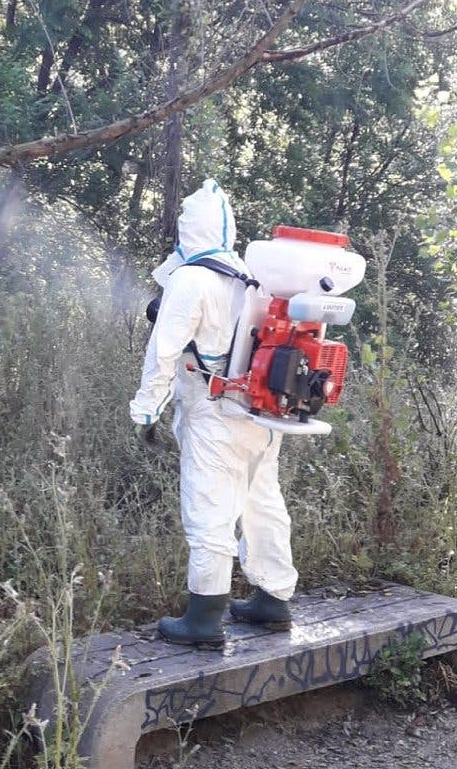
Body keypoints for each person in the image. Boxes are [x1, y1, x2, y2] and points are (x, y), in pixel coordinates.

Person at [130, 179, 297, 647]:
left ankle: (204, 618)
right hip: (262, 416)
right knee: (262, 503)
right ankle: (273, 599)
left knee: (209, 511)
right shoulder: (250, 274)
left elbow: (162, 353)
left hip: (214, 414)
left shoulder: (191, 278)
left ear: (187, 228)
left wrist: (146, 409)